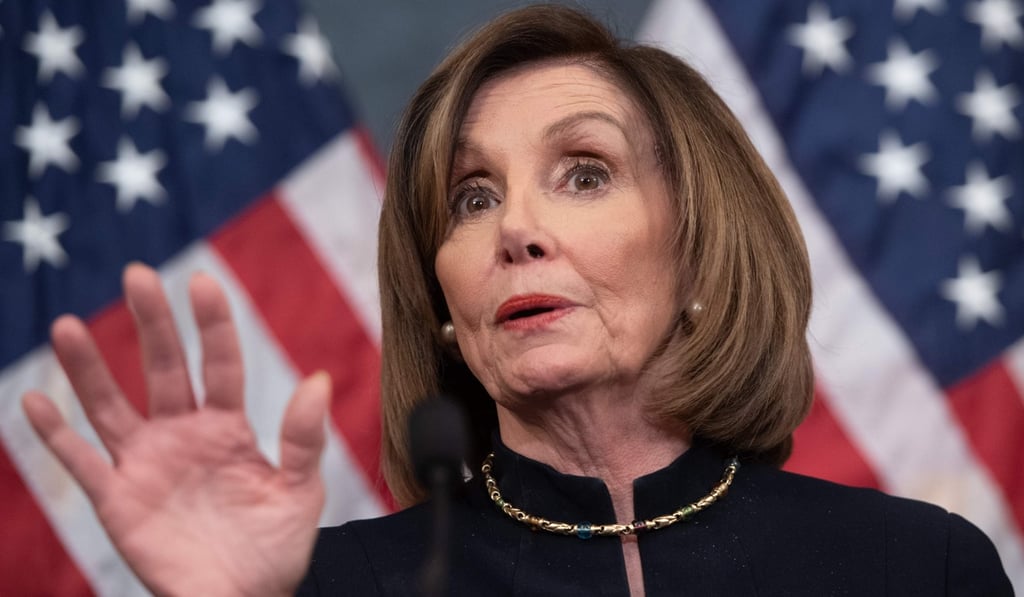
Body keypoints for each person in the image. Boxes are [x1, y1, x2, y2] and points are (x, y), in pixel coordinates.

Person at [21, 5, 1012, 596]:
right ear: (444, 307)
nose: (514, 229)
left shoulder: (915, 569)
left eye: (584, 173)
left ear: (700, 252)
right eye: (471, 196)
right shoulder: (325, 587)